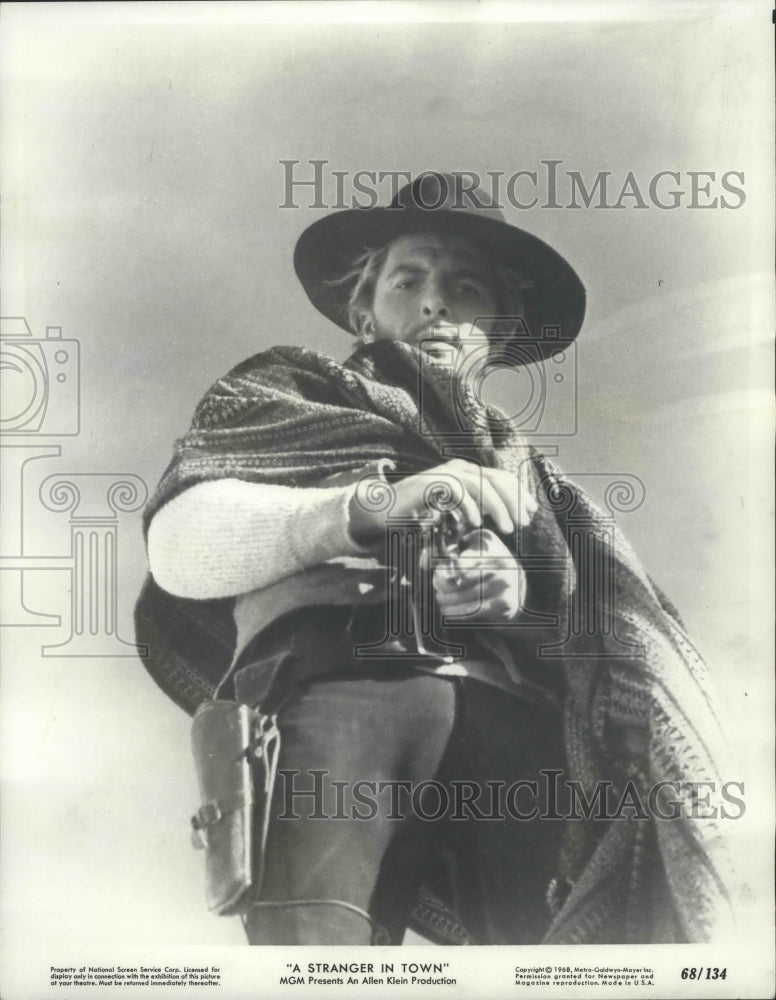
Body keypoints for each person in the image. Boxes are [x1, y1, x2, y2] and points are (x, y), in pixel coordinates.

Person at [136, 172, 734, 946]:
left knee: (551, 967)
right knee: (316, 962)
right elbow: (181, 547)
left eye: (466, 287)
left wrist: (514, 599)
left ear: (502, 325)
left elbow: (598, 643)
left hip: (523, 744)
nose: (434, 302)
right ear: (364, 306)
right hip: (335, 704)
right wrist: (377, 506)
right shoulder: (287, 392)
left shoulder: (536, 484)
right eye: (408, 279)